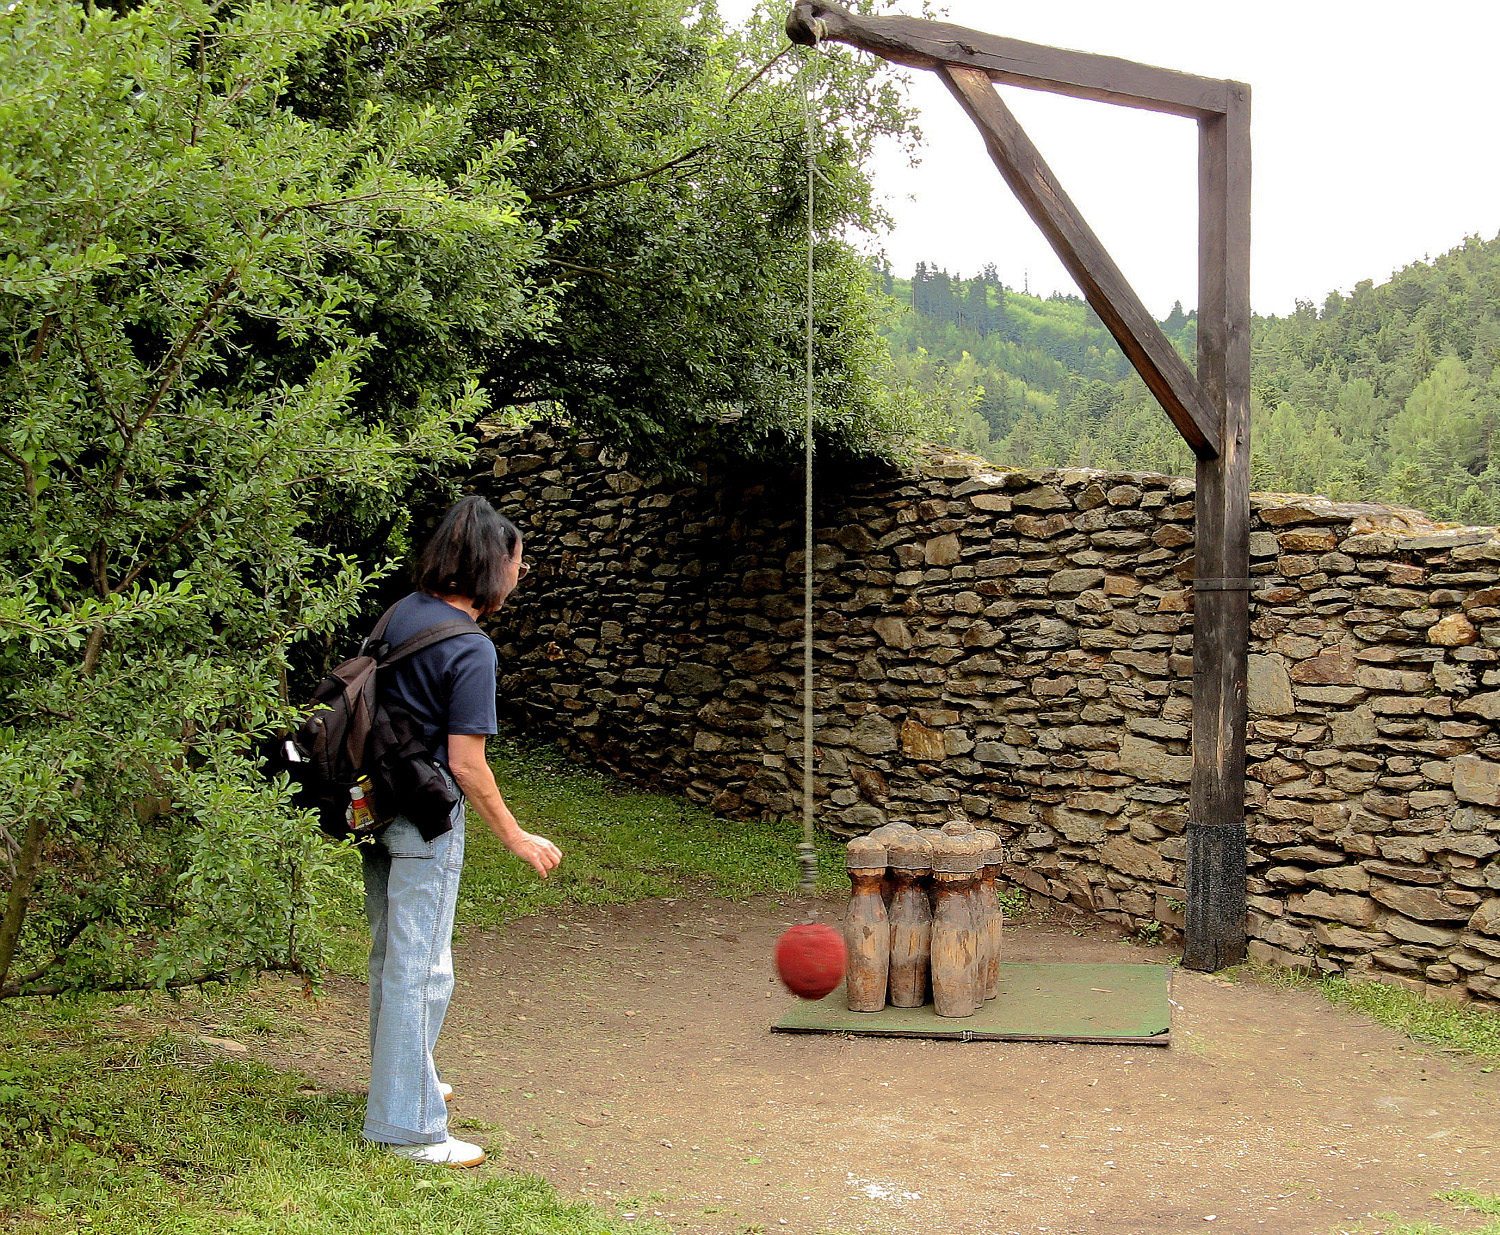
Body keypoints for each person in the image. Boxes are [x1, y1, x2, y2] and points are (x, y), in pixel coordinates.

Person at [362, 495, 562, 1167]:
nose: (520, 573)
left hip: (375, 806)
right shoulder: (470, 647)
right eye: (518, 562)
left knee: (393, 957)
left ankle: (400, 1083)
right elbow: (467, 764)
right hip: (425, 819)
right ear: (490, 565)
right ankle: (408, 1125)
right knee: (422, 968)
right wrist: (516, 835)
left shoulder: (401, 613)